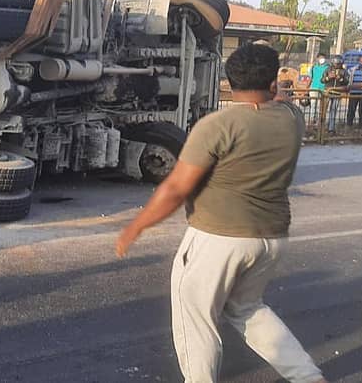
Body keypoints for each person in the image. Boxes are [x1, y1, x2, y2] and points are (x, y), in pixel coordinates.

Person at [116, 44, 327, 383]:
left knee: (196, 319)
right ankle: (308, 376)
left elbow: (175, 188)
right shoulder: (292, 119)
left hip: (218, 239)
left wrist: (135, 227)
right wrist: (278, 89)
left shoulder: (217, 125)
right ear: (273, 83)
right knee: (247, 308)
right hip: (270, 237)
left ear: (228, 83)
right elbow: (281, 100)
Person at [321, 56, 349, 134]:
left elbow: (347, 81)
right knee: (323, 111)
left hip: (337, 93)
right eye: (336, 63)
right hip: (327, 92)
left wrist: (339, 78)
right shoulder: (328, 69)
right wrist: (328, 77)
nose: (337, 64)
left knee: (333, 111)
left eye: (338, 63)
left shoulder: (344, 71)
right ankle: (321, 126)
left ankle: (331, 128)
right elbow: (322, 80)